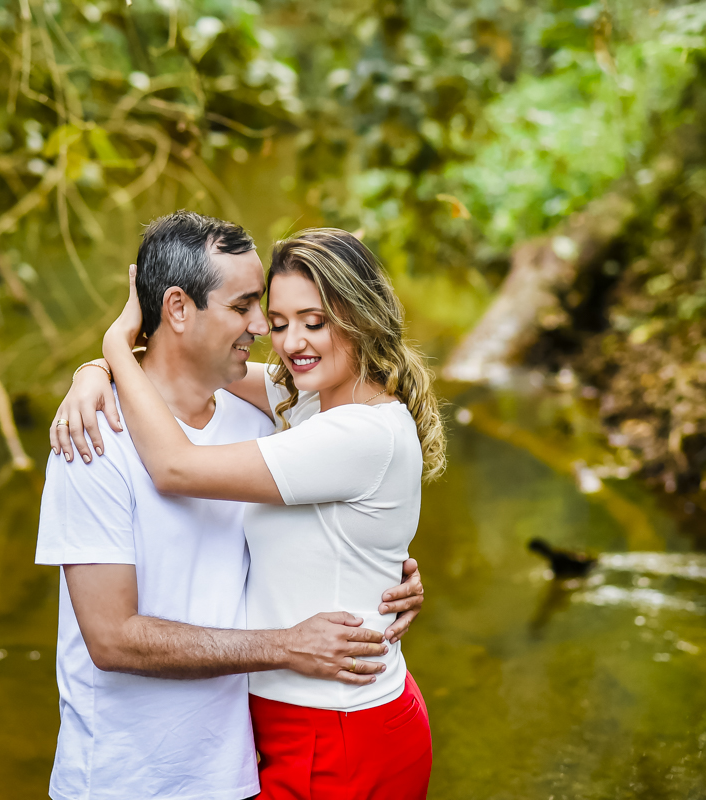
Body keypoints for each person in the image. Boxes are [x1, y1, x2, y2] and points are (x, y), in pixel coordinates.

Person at [36, 212, 426, 800]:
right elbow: (111, 638)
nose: (277, 338)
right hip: (137, 775)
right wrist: (100, 364)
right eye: (262, 314)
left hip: (281, 747)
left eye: (311, 321)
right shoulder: (95, 436)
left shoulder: (291, 422)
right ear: (178, 308)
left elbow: (181, 467)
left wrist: (379, 561)